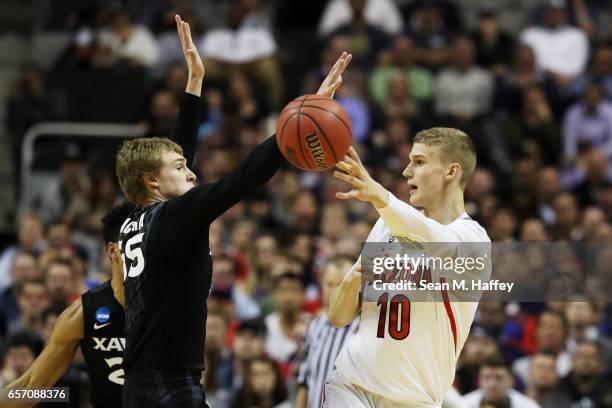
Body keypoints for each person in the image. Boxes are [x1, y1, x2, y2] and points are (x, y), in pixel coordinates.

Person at [116, 15, 352, 407]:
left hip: (138, 384)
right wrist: (296, 126)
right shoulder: (175, 216)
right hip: (169, 386)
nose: (190, 170)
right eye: (180, 169)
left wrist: (194, 85)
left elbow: (173, 155)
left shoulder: (133, 219)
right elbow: (241, 179)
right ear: (152, 184)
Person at [325, 127, 491, 407]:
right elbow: (337, 317)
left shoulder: (473, 240)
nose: (406, 171)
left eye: (419, 162)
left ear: (451, 172)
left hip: (416, 399)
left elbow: (432, 240)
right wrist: (351, 281)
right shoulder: (387, 223)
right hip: (351, 385)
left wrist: (382, 197)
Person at [0, 202, 134, 408]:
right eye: (139, 243)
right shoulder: (82, 313)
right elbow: (30, 388)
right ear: (113, 250)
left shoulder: (171, 304)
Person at [295, 256, 359, 408]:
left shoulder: (364, 327)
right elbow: (305, 382)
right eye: (329, 284)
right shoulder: (315, 324)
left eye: (341, 284)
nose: (334, 291)